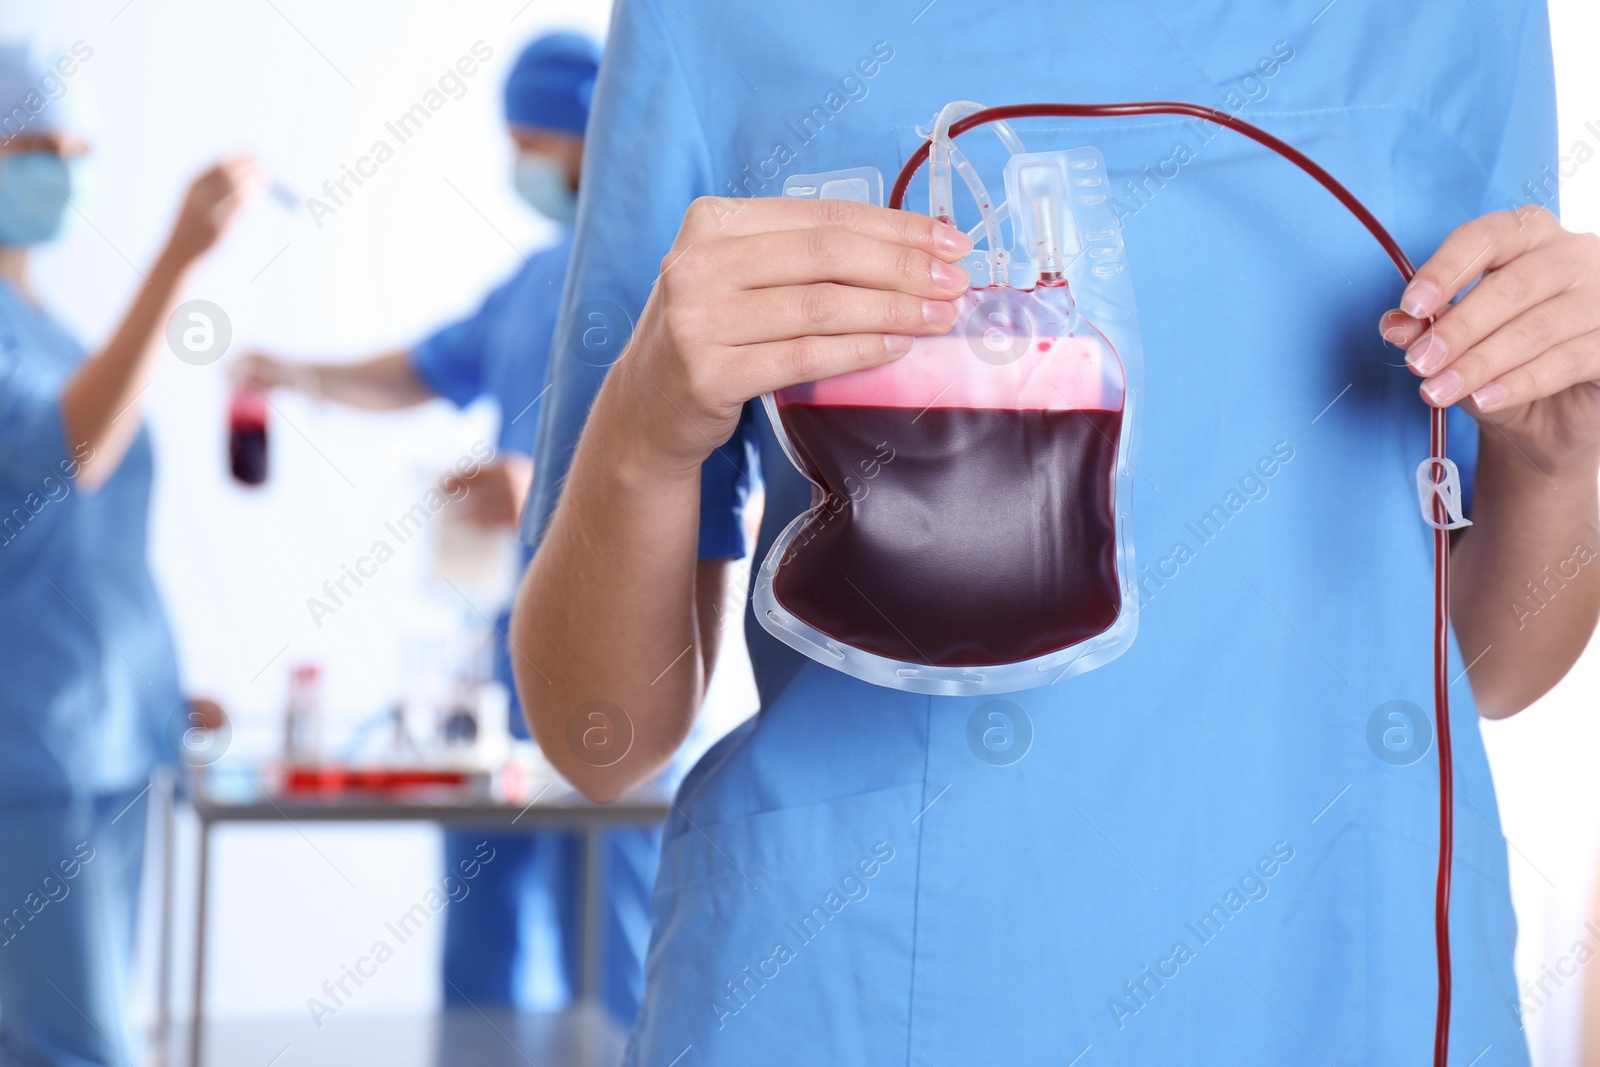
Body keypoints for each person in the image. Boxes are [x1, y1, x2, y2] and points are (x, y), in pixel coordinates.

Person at [511, 1, 1599, 1063]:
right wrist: (644, 436)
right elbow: (598, 730)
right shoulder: (715, 20)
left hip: (1345, 970)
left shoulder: (1466, 21)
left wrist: (1557, 462)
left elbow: (1485, 670)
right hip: (866, 978)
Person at [236, 32, 656, 1024]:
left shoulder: (656, 278)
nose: (522, 167)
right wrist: (291, 371)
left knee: (614, 966)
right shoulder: (528, 285)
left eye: (532, 142)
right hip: (501, 659)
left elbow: (711, 468)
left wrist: (548, 490)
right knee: (480, 964)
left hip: (620, 664)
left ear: (587, 134)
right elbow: (420, 369)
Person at [0, 43, 251, 1067]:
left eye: (77, 148)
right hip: (32, 748)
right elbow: (72, 455)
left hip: (108, 734)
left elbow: (83, 554)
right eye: (34, 146)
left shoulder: (46, 326)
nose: (62, 168)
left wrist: (156, 679)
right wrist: (178, 259)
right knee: (78, 1048)